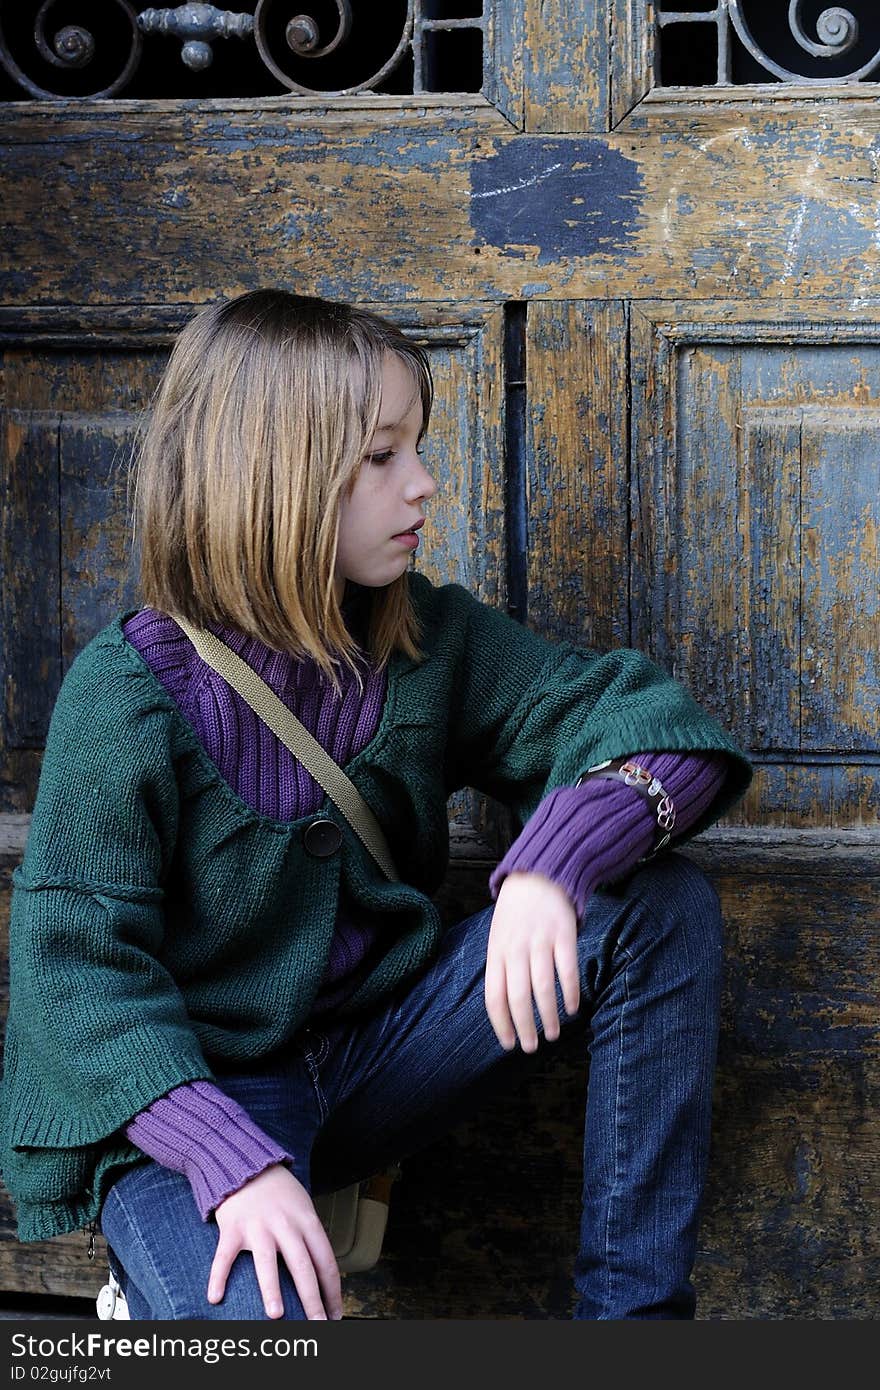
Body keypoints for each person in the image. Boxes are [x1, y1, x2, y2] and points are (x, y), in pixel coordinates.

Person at [0, 290, 751, 1321]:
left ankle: (629, 1329)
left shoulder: (423, 640)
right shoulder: (127, 692)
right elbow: (74, 976)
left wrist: (553, 862)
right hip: (191, 1105)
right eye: (382, 455)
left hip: (379, 1056)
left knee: (656, 907)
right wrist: (230, 1158)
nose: (423, 485)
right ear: (278, 468)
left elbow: (667, 734)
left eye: (419, 448)